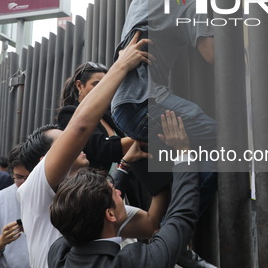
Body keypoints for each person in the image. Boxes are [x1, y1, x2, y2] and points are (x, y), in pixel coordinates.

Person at [110, 0, 217, 267]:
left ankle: (168, 230)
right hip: (147, 103)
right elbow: (211, 54)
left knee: (187, 157)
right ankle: (173, 239)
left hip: (123, 105)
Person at [18, 33, 165, 268]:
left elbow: (150, 224)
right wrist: (122, 65)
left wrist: (158, 177)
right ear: (45, 160)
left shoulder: (90, 200)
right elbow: (79, 127)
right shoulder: (36, 189)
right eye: (63, 142)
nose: (75, 145)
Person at [48, 110, 200, 267]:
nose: (119, 192)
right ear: (109, 214)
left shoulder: (59, 255)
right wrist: (183, 153)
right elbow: (181, 217)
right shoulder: (131, 262)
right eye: (115, 193)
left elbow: (81, 212)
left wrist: (124, 165)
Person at [57, 62, 133, 171]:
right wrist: (143, 139)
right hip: (94, 184)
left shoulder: (111, 113)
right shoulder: (69, 114)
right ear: (79, 85)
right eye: (96, 85)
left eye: (106, 85)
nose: (103, 90)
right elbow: (103, 148)